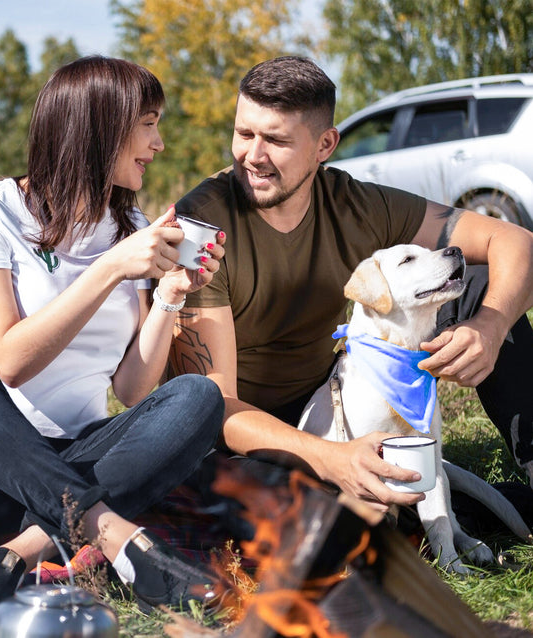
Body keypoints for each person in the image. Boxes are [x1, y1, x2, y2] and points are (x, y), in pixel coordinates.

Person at [0, 55, 229, 630]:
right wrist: (108, 270)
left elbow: (130, 389)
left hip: (73, 465)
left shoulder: (132, 230)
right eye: (147, 123)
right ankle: (114, 533)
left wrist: (171, 292)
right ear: (101, 128)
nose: (159, 141)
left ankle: (18, 555)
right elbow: (8, 360)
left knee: (198, 397)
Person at [171, 55, 533, 512]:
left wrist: (492, 326)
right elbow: (215, 406)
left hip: (331, 403)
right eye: (244, 133)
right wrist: (334, 460)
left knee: (475, 280)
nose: (252, 156)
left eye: (276, 140)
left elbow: (516, 242)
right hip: (243, 436)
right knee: (317, 519)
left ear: (325, 145)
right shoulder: (202, 227)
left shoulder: (356, 204)